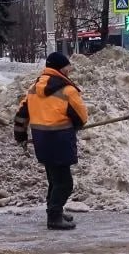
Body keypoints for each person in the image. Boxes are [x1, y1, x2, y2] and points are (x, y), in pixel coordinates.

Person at [13, 52, 89, 230]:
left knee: (54, 180)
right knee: (65, 184)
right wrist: (75, 125)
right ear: (61, 68)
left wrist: (20, 136)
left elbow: (21, 115)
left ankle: (55, 211)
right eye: (67, 66)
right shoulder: (67, 90)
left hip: (41, 140)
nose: (69, 69)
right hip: (60, 141)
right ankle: (54, 217)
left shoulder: (34, 88)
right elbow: (81, 117)